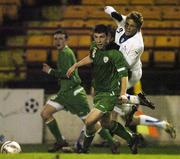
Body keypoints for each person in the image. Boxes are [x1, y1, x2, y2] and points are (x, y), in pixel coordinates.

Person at [41, 29, 124, 153]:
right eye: (56, 38)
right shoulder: (62, 53)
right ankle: (60, 141)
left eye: (61, 38)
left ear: (66, 40)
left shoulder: (66, 53)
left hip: (74, 94)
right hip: (65, 93)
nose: (58, 41)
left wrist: (50, 71)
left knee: (90, 122)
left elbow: (68, 74)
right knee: (45, 113)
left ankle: (112, 143)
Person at [104, 6, 176, 139]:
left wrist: (111, 51)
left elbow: (125, 65)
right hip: (122, 75)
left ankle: (111, 139)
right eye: (127, 24)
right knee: (128, 119)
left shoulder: (137, 44)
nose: (128, 27)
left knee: (112, 102)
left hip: (130, 76)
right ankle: (162, 124)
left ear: (138, 28)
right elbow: (114, 13)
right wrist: (108, 9)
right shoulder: (124, 22)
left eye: (132, 26)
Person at [67, 24, 140, 154]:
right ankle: (131, 138)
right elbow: (91, 57)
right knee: (106, 124)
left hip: (110, 94)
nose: (99, 40)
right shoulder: (94, 47)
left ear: (108, 38)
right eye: (96, 37)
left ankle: (84, 149)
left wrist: (123, 94)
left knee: (89, 121)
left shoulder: (115, 54)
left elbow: (123, 75)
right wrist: (76, 65)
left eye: (102, 37)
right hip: (100, 93)